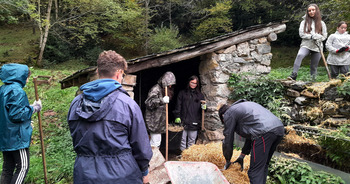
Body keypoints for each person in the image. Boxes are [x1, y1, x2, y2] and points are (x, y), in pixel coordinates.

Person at [67, 51, 152, 184]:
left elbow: (75, 135)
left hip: (85, 174)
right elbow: (140, 145)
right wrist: (144, 171)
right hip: (122, 175)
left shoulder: (76, 103)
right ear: (119, 73)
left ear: (97, 71)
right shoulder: (128, 104)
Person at [219, 99, 284, 184]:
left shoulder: (229, 113)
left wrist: (227, 160)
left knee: (254, 172)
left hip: (265, 133)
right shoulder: (244, 107)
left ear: (223, 116)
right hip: (279, 128)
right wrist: (242, 156)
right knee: (263, 166)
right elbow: (251, 135)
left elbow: (228, 138)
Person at [0, 63, 42, 184]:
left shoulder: (2, 90)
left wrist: (29, 107)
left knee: (7, 169)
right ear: (20, 76)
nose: (28, 80)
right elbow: (17, 114)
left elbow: (9, 110)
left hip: (5, 137)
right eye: (27, 77)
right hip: (17, 138)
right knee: (23, 167)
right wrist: (34, 108)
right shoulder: (17, 91)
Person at [288, 4, 327, 81]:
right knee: (300, 55)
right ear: (307, 12)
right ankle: (294, 75)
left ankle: (313, 81)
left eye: (313, 10)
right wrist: (311, 36)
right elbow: (302, 34)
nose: (311, 12)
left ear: (316, 11)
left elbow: (324, 36)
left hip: (317, 46)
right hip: (306, 44)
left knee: (314, 66)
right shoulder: (304, 22)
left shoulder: (322, 23)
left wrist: (318, 37)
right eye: (309, 10)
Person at [173, 75, 206, 151]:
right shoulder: (182, 93)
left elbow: (203, 109)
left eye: (195, 83)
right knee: (182, 139)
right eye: (192, 82)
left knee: (192, 140)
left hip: (194, 120)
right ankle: (183, 154)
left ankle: (189, 155)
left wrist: (204, 108)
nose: (193, 85)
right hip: (183, 119)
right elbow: (178, 105)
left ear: (197, 84)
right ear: (189, 82)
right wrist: (177, 116)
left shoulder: (200, 95)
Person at [145, 71, 176, 148]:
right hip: (154, 122)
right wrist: (162, 100)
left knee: (156, 142)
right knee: (155, 143)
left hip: (159, 122)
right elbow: (149, 103)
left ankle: (153, 158)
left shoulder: (164, 90)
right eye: (169, 83)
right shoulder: (155, 89)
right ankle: (152, 159)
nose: (170, 86)